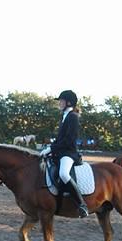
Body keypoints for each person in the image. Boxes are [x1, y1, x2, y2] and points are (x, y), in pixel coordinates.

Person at [40, 90, 88, 218]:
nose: (59, 103)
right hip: (60, 151)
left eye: (61, 101)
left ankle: (81, 204)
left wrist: (51, 149)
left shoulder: (73, 117)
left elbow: (68, 140)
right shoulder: (64, 116)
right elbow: (60, 138)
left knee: (63, 173)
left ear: (69, 102)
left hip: (69, 152)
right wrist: (51, 147)